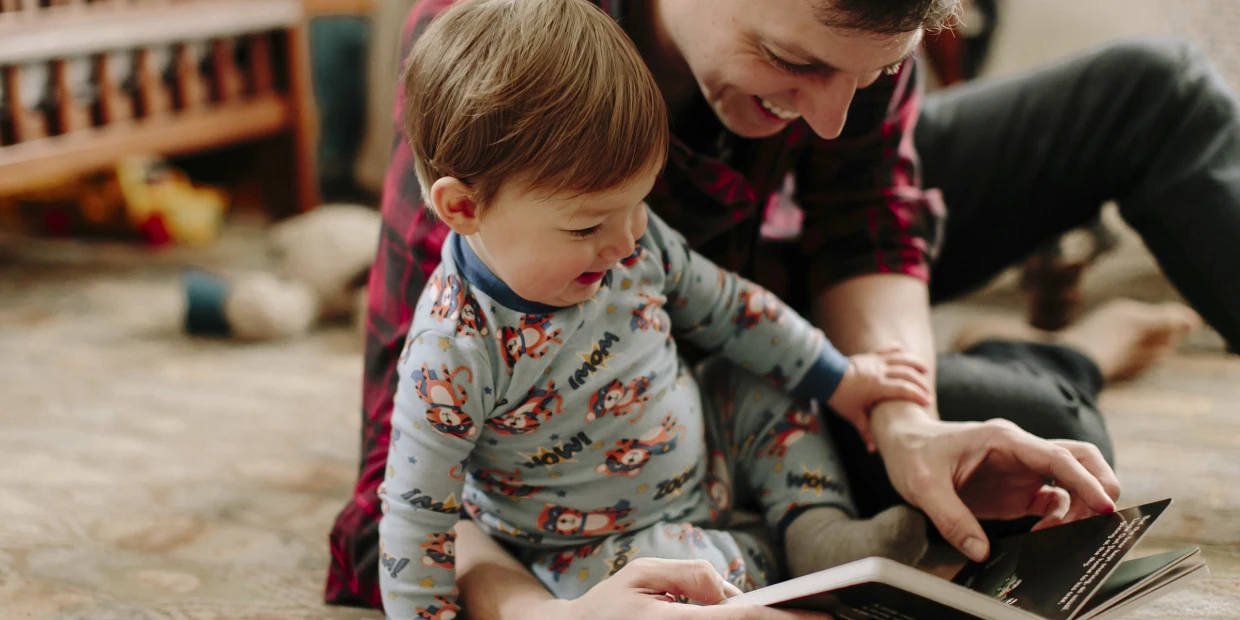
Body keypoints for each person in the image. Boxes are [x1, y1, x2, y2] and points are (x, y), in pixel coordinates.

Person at [328, 0, 1218, 614]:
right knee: (1047, 434)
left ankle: (953, 392)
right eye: (794, 61)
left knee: (1159, 86)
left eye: (872, 78)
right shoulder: (493, 64)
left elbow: (864, 214)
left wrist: (901, 418)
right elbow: (394, 507)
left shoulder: (839, 53)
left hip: (752, 321)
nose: (829, 122)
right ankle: (1077, 354)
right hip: (615, 411)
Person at [380, 1, 941, 616]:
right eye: (588, 226)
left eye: (640, 205)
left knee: (761, 377)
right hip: (595, 542)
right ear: (463, 209)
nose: (627, 244)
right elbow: (416, 517)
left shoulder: (628, 236)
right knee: (661, 578)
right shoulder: (452, 353)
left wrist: (841, 378)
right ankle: (757, 567)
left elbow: (733, 309)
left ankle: (818, 531)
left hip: (705, 447)